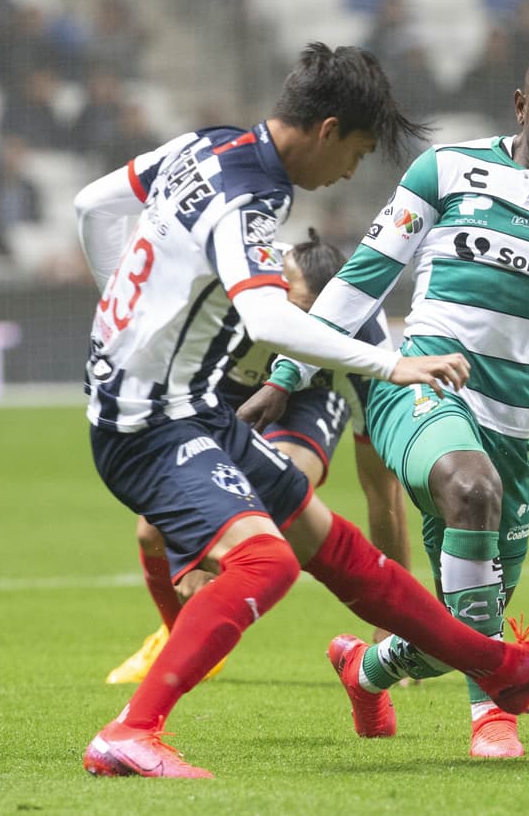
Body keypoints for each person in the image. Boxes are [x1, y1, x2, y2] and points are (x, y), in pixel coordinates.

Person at [74, 42, 529, 779]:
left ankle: (502, 667)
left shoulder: (207, 144)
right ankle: (132, 730)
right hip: (151, 422)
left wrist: (119, 313)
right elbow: (267, 318)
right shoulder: (250, 195)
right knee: (265, 562)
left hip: (183, 405)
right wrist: (393, 361)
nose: (351, 172)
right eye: (356, 153)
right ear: (327, 130)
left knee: (337, 548)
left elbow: (94, 203)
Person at [243, 43, 529, 759]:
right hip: (421, 392)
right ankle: (493, 715)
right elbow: (362, 279)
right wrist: (286, 373)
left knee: (463, 622)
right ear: (521, 107)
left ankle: (363, 669)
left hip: (512, 432)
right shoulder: (448, 170)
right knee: (471, 487)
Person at [103, 228, 411, 684]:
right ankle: (178, 637)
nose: (300, 331)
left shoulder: (364, 349)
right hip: (221, 389)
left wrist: (393, 632)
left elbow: (382, 492)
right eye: (296, 311)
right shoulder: (229, 286)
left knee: (283, 491)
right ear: (277, 283)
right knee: (151, 533)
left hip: (310, 394)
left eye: (312, 320)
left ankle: (209, 611)